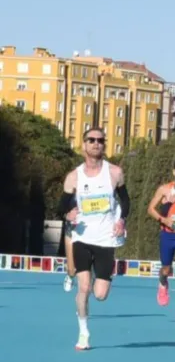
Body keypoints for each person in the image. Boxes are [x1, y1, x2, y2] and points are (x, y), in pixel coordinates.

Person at [58, 127, 129, 350]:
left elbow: (125, 201)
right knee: (84, 288)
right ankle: (83, 333)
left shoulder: (114, 172)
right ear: (84, 145)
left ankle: (106, 277)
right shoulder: (74, 176)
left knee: (100, 295)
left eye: (100, 140)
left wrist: (121, 220)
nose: (96, 143)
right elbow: (62, 206)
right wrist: (67, 214)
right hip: (82, 237)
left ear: (104, 145)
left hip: (106, 240)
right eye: (91, 140)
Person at [147, 158, 175, 306]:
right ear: (174, 173)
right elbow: (150, 209)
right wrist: (163, 219)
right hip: (167, 235)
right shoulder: (164, 190)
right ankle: (163, 284)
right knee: (166, 269)